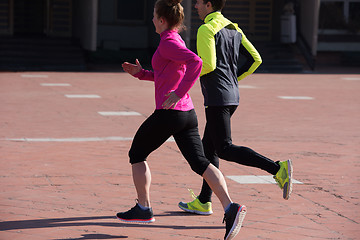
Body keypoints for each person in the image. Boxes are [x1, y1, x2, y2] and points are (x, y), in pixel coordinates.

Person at [117, 0, 246, 239]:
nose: (152, 20)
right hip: (187, 114)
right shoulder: (175, 39)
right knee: (201, 162)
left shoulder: (167, 42)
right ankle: (231, 207)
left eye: (155, 16)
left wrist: (177, 93)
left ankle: (143, 208)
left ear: (163, 20)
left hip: (171, 113)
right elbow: (169, 74)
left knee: (136, 153)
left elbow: (196, 63)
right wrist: (142, 74)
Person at [178, 0, 293, 216]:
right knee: (208, 149)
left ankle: (277, 169)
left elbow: (209, 64)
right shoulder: (234, 27)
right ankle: (204, 201)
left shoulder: (206, 29)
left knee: (224, 148)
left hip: (217, 98)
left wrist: (184, 78)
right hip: (232, 96)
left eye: (199, 3)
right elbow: (255, 60)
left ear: (209, 5)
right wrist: (233, 79)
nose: (195, 6)